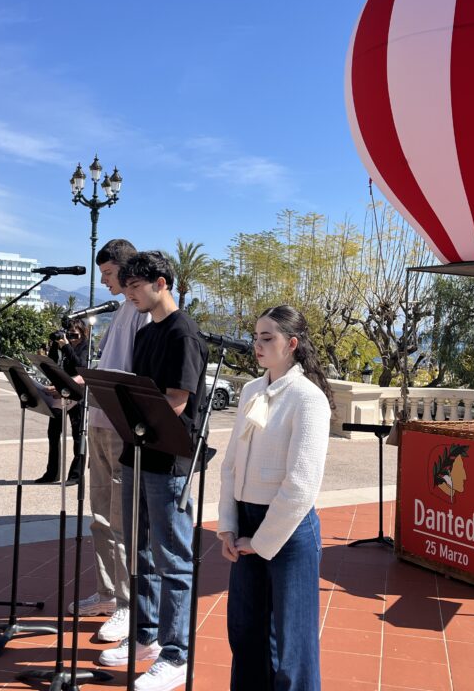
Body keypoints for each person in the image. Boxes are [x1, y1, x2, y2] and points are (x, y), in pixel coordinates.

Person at [98, 251, 208, 691]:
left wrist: (134, 409)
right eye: (126, 290)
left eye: (135, 289)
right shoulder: (146, 333)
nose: (130, 297)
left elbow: (175, 403)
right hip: (136, 454)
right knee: (137, 550)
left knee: (173, 559)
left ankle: (176, 654)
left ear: (161, 283)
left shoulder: (185, 334)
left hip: (169, 462)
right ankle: (144, 636)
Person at [216, 305, 333, 691]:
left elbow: (301, 484)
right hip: (247, 523)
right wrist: (230, 527)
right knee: (245, 632)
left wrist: (262, 542)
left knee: (292, 647)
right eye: (255, 337)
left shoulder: (308, 398)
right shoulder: (252, 389)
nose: (257, 346)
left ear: (292, 344)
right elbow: (231, 463)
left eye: (268, 338)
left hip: (290, 530)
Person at [70, 239, 150, 644]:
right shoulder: (120, 311)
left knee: (120, 521)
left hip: (121, 428)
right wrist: (75, 382)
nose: (104, 282)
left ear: (126, 269)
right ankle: (105, 593)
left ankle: (126, 604)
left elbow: (135, 376)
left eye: (108, 275)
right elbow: (109, 366)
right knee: (99, 516)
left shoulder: (141, 314)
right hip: (99, 421)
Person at [34, 318, 89, 483]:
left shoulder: (85, 347)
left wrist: (66, 346)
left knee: (78, 434)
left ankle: (76, 475)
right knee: (53, 433)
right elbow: (51, 365)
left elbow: (81, 366)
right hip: (58, 394)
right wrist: (56, 346)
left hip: (76, 396)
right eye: (69, 335)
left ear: (83, 334)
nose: (72, 339)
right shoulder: (62, 347)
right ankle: (52, 473)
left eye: (75, 335)